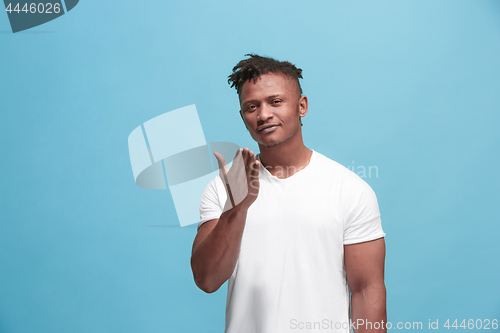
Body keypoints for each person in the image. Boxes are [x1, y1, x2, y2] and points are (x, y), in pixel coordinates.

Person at [190, 54, 387, 333]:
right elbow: (206, 280)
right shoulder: (222, 188)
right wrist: (236, 208)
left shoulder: (350, 189)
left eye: (276, 101)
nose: (263, 114)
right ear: (243, 116)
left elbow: (367, 291)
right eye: (251, 106)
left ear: (302, 106)